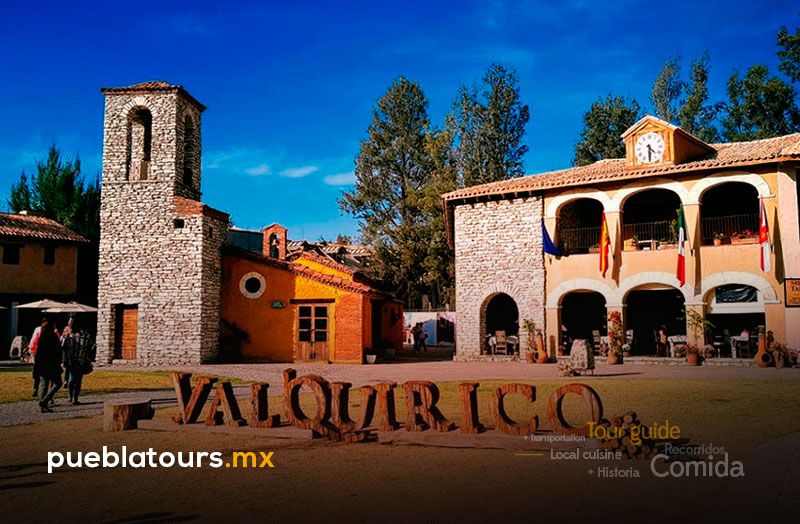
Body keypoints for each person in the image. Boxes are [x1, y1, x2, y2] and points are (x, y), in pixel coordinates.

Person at [61, 318, 95, 405]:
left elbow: (64, 348)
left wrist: (64, 360)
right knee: (78, 380)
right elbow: (92, 347)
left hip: (72, 361)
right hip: (81, 361)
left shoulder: (70, 336)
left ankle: (70, 396)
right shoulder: (86, 336)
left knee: (72, 379)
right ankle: (75, 398)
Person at [33, 317, 63, 412]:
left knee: (44, 385)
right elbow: (57, 351)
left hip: (42, 365)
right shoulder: (52, 336)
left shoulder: (42, 336)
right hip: (51, 365)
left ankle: (42, 406)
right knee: (58, 383)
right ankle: (45, 400)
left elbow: (38, 352)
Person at [29, 322, 42, 397]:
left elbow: (32, 344)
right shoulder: (54, 331)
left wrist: (34, 353)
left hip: (38, 355)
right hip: (47, 356)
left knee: (37, 374)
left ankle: (35, 388)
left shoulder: (38, 329)